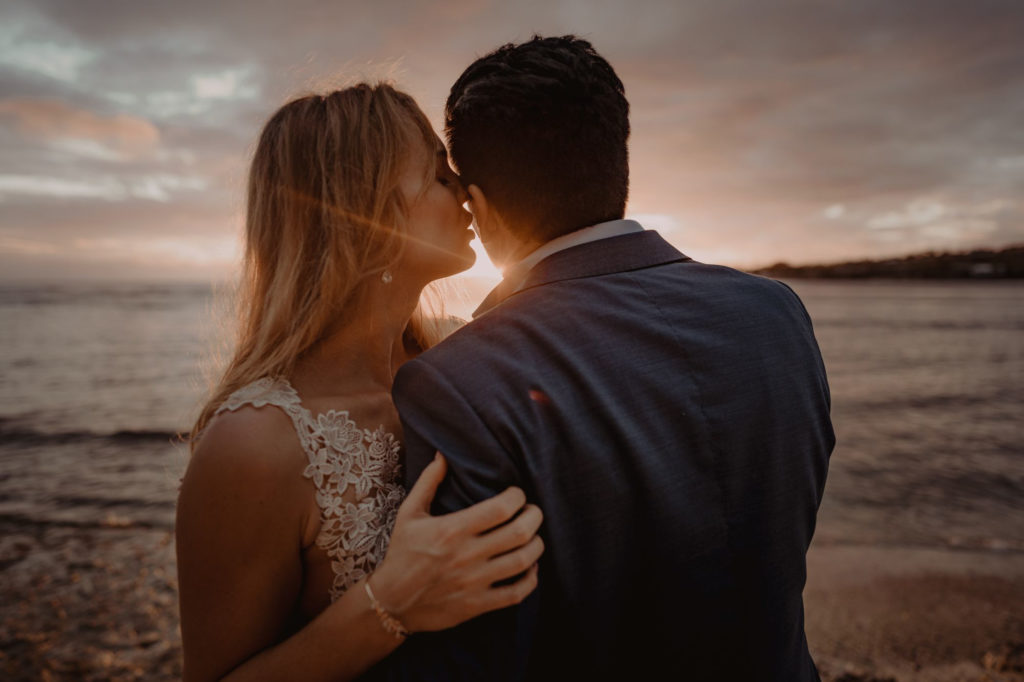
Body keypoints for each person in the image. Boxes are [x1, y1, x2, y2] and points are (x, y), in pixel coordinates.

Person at [371, 36, 835, 681]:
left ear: (478, 201)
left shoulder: (458, 380)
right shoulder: (777, 312)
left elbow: (475, 646)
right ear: (614, 157)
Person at [175, 84, 545, 682]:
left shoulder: (454, 374)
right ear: (364, 213)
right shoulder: (253, 445)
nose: (467, 195)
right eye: (437, 175)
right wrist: (390, 607)